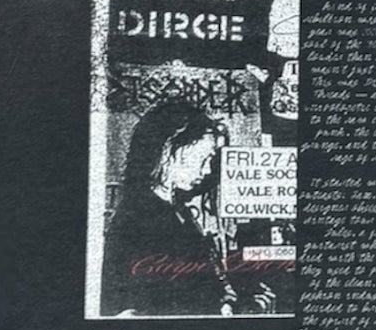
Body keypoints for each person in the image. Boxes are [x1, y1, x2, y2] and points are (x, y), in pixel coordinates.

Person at [100, 100, 275, 317]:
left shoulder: (175, 209)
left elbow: (197, 280)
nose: (207, 169)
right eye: (203, 158)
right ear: (167, 153)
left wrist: (229, 302)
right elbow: (164, 300)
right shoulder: (139, 216)